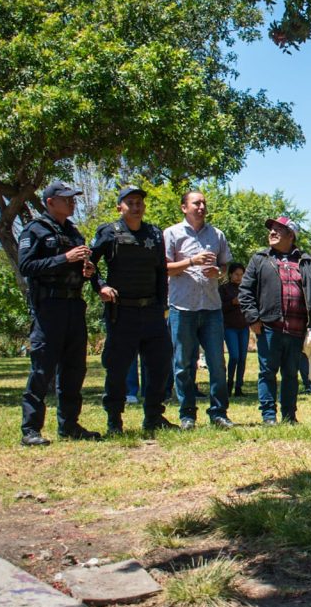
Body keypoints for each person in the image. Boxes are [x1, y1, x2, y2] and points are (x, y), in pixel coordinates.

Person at [17, 180, 101, 446]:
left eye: (73, 198)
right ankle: (31, 429)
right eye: (66, 199)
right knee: (42, 369)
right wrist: (65, 259)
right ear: (50, 202)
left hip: (74, 305)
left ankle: (69, 424)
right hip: (49, 308)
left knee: (75, 368)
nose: (72, 202)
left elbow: (79, 268)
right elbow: (27, 266)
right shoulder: (35, 230)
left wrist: (87, 271)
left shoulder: (74, 233)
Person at [89, 186, 177, 436]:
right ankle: (114, 421)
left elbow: (161, 272)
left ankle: (153, 417)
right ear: (120, 207)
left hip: (152, 311)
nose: (136, 206)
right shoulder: (109, 232)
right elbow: (90, 265)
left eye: (139, 202)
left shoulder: (154, 234)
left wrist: (162, 305)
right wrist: (101, 287)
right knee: (117, 368)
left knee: (159, 365)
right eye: (131, 202)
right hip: (122, 312)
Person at [239, 217, 311, 425]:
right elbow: (245, 290)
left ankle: (289, 416)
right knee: (267, 372)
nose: (272, 233)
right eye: (271, 229)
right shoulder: (260, 259)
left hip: (297, 329)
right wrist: (252, 318)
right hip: (268, 327)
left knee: (291, 374)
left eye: (278, 229)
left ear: (291, 235)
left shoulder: (307, 262)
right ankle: (268, 416)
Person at [164, 190, 234, 429]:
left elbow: (225, 266)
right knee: (183, 364)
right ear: (184, 207)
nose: (202, 206)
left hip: (212, 307)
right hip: (182, 307)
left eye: (204, 202)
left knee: (217, 363)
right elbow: (164, 268)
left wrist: (220, 273)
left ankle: (218, 413)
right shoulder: (171, 234)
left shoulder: (217, 235)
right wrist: (192, 261)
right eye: (196, 203)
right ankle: (187, 415)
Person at [220, 262, 249, 396]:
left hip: (244, 327)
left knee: (243, 358)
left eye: (241, 275)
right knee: (235, 356)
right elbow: (220, 308)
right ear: (230, 274)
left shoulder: (246, 289)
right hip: (229, 327)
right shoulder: (224, 289)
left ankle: (239, 387)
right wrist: (232, 302)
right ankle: (229, 383)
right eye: (236, 274)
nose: (239, 277)